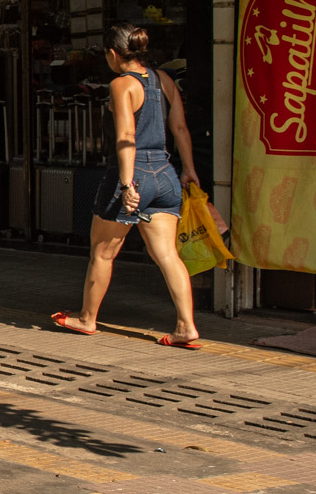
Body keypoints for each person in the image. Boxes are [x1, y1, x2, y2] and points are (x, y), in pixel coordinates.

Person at [52, 24, 204, 349]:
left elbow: (126, 136)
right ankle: (186, 326)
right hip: (165, 173)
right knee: (167, 255)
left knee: (103, 253)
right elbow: (179, 127)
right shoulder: (164, 80)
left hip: (132, 172)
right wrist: (188, 169)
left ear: (112, 54)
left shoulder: (122, 84)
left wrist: (126, 183)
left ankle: (87, 317)